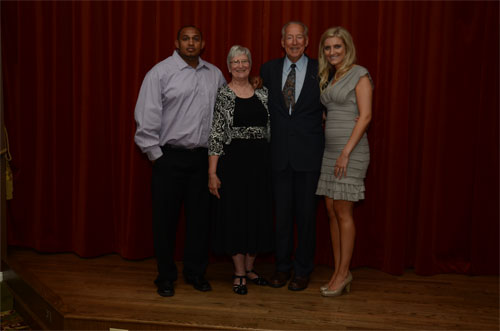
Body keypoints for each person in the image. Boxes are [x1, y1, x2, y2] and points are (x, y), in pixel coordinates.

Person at [134, 25, 226, 297]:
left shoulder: (215, 74)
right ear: (176, 42)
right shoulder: (160, 73)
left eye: (195, 39)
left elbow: (225, 112)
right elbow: (146, 115)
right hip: (169, 159)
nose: (190, 43)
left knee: (200, 221)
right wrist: (157, 157)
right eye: (185, 39)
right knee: (165, 221)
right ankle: (165, 276)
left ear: (203, 43)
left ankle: (196, 273)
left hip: (202, 161)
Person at [260, 21, 325, 291]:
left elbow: (333, 103)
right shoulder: (268, 69)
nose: (294, 42)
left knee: (307, 216)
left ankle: (302, 270)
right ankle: (282, 267)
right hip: (278, 156)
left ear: (308, 41)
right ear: (282, 41)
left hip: (309, 157)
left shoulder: (321, 70)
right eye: (290, 37)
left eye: (299, 37)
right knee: (282, 216)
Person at [208, 45, 273, 295]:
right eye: (235, 62)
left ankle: (250, 268)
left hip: (261, 163)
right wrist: (212, 173)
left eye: (244, 61)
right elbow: (215, 135)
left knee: (257, 214)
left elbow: (276, 125)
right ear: (228, 66)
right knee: (235, 216)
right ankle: (238, 272)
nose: (240, 65)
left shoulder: (263, 93)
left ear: (250, 63)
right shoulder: (223, 94)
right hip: (232, 163)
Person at [316, 26, 373, 297]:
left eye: (337, 46)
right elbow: (335, 109)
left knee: (343, 212)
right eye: (327, 48)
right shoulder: (329, 75)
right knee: (330, 211)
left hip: (350, 153)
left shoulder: (359, 74)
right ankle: (339, 271)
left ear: (347, 47)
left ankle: (342, 274)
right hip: (330, 152)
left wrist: (346, 152)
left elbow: (365, 116)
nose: (332, 52)